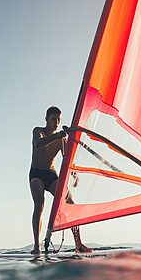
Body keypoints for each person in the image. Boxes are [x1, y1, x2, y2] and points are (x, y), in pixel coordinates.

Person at [29, 106, 92, 255]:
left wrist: (74, 173)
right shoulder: (38, 131)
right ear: (46, 119)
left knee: (70, 201)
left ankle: (79, 243)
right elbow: (38, 143)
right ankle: (37, 247)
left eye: (58, 120)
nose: (56, 123)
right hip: (36, 173)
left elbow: (67, 159)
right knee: (39, 204)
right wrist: (58, 136)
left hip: (51, 174)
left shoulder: (61, 139)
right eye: (53, 120)